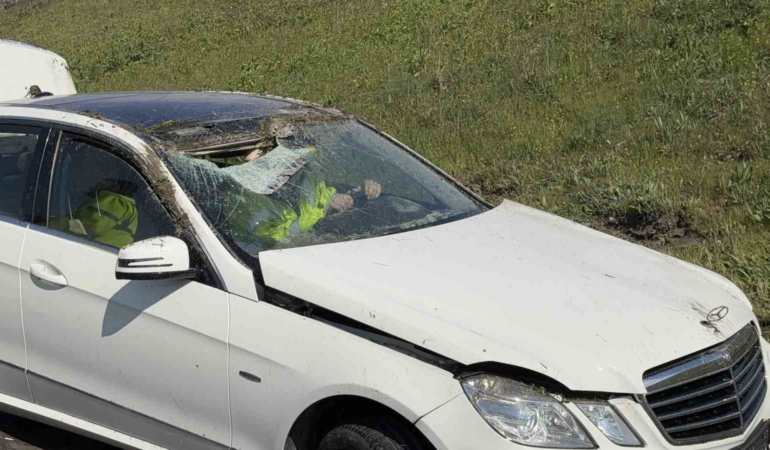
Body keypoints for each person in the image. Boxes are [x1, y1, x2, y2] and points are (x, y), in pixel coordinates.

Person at [52, 179, 139, 249]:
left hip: (95, 253)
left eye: (107, 181)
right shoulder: (118, 204)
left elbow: (87, 229)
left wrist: (50, 223)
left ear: (115, 187)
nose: (100, 181)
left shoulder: (115, 202)